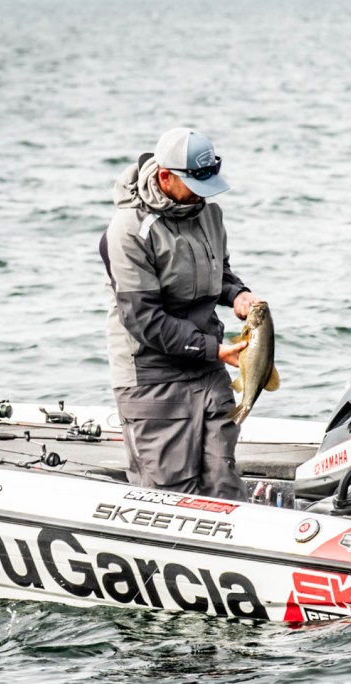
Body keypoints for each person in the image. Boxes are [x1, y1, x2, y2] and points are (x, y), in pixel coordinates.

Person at [100, 127, 261, 501]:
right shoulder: (127, 230)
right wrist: (215, 350)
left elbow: (219, 272)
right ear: (165, 177)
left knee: (224, 481)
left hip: (208, 371)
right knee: (170, 494)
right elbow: (143, 320)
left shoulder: (209, 213)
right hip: (153, 378)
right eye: (194, 185)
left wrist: (238, 294)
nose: (204, 195)